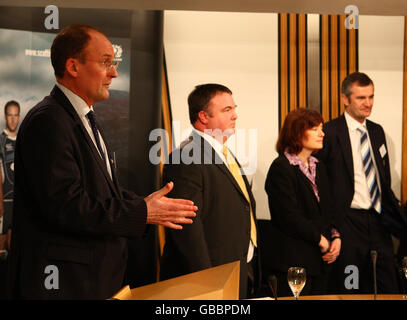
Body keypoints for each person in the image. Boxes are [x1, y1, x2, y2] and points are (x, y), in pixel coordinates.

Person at [7, 24, 198, 300]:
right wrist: (142, 212)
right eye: (106, 62)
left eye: (115, 63)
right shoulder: (48, 121)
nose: (114, 73)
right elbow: (66, 205)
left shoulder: (83, 119)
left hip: (92, 281)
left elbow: (100, 193)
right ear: (73, 66)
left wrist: (143, 206)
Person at [160, 83, 260, 299]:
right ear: (203, 117)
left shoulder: (226, 154)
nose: (235, 115)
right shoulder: (186, 157)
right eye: (227, 110)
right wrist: (208, 280)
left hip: (237, 269)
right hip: (209, 280)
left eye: (234, 108)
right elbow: (187, 229)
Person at [317, 72, 403, 294]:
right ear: (345, 99)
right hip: (348, 224)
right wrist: (332, 229)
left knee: (387, 286)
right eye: (361, 98)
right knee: (351, 285)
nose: (368, 103)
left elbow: (383, 179)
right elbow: (322, 185)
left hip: (378, 221)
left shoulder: (376, 131)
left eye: (371, 97)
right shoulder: (330, 132)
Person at [264, 108, 341, 297]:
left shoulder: (319, 166)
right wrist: (320, 239)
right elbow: (288, 216)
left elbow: (330, 209)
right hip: (293, 263)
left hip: (320, 262)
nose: (322, 134)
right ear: (297, 132)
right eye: (315, 129)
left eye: (321, 128)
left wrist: (335, 236)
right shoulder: (281, 167)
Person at [0, 100, 20, 253]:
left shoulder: (23, 141)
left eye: (15, 115)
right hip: (4, 203)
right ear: (5, 117)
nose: (13, 119)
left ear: (19, 117)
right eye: (9, 115)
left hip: (20, 203)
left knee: (15, 248)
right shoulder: (1, 142)